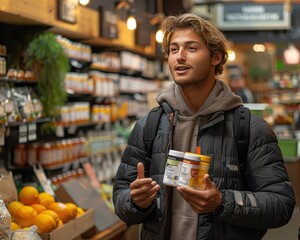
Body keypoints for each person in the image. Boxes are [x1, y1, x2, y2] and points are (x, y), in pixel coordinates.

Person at [113, 13, 295, 240]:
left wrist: (222, 202)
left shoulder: (249, 129)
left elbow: (280, 204)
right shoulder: (149, 126)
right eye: (173, 49)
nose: (179, 57)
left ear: (216, 57)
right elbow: (121, 196)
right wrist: (135, 202)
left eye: (191, 48)